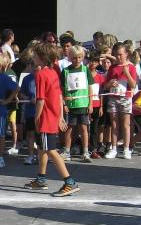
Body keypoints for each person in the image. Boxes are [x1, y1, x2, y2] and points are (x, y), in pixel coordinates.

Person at [23, 42, 79, 196]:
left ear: (42, 57)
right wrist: (60, 116)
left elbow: (40, 100)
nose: (33, 57)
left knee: (51, 150)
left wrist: (36, 118)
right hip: (52, 116)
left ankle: (69, 182)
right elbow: (59, 96)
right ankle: (41, 179)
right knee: (42, 148)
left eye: (35, 55)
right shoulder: (53, 72)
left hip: (46, 119)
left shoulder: (41, 75)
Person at [103, 42, 138, 160]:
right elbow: (106, 86)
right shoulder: (112, 68)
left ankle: (126, 149)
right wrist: (110, 83)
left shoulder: (131, 67)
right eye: (116, 55)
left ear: (126, 54)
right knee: (114, 124)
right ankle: (113, 148)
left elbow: (133, 84)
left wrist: (126, 72)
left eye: (120, 54)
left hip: (125, 98)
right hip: (113, 98)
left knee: (125, 124)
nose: (118, 57)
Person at [61, 45, 94, 163]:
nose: (77, 60)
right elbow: (62, 88)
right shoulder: (65, 71)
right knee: (69, 129)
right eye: (75, 57)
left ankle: (85, 152)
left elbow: (90, 87)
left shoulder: (85, 69)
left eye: (79, 57)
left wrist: (90, 104)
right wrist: (64, 103)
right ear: (70, 57)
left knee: (84, 128)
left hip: (83, 104)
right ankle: (67, 151)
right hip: (70, 105)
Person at [18, 51, 38, 165]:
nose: (35, 68)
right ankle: (30, 155)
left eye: (37, 66)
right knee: (30, 134)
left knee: (40, 135)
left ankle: (40, 155)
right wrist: (27, 98)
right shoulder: (27, 79)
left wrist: (39, 99)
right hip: (30, 111)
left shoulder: (43, 77)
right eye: (33, 66)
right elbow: (22, 93)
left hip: (41, 112)